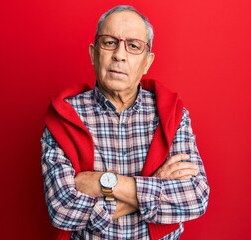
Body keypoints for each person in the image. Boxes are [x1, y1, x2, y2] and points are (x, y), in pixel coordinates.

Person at [41, 5, 209, 240]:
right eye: (109, 42)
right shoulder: (64, 116)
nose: (120, 54)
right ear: (93, 53)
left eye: (133, 46)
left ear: (148, 62)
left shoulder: (171, 114)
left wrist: (103, 182)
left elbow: (196, 197)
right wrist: (156, 184)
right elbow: (62, 210)